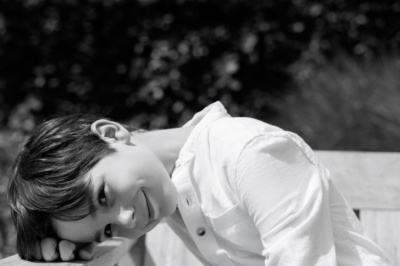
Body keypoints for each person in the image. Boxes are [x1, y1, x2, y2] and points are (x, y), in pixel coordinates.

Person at [8, 101, 390, 265]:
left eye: (103, 196)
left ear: (112, 133)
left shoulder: (246, 153)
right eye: (106, 228)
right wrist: (60, 248)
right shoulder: (168, 183)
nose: (125, 220)